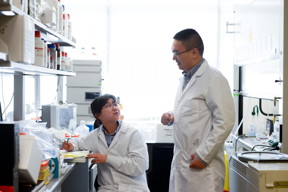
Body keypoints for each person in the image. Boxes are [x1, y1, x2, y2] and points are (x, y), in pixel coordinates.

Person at [161, 28, 235, 192]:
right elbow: (195, 113)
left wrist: (203, 155)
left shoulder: (214, 79)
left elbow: (225, 121)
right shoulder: (185, 78)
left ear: (194, 52)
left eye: (176, 53)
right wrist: (173, 116)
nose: (173, 58)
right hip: (182, 164)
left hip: (203, 169)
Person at [62, 94, 150, 192]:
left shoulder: (133, 133)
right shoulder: (95, 135)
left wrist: (107, 159)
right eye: (108, 106)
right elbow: (79, 144)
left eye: (115, 104)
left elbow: (140, 166)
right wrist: (71, 146)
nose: (115, 108)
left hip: (133, 187)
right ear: (98, 115)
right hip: (107, 188)